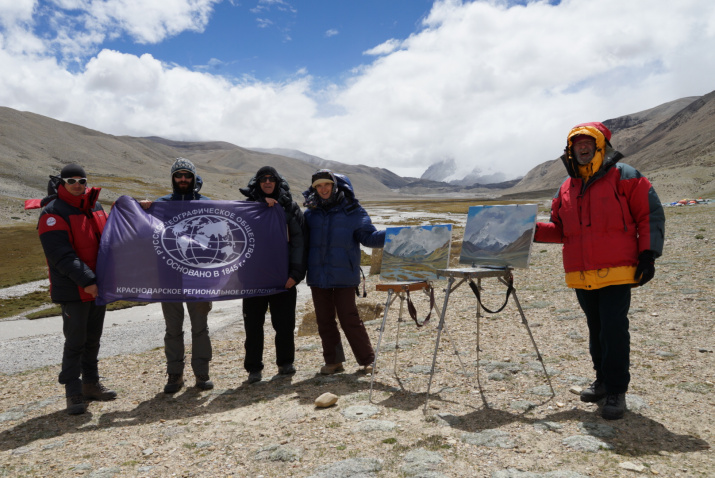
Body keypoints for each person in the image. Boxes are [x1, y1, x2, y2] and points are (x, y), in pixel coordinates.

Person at [534, 122, 665, 420]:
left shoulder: (626, 176)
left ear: (600, 146)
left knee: (614, 330)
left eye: (587, 143)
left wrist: (648, 255)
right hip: (582, 274)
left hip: (617, 271)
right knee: (597, 330)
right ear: (570, 150)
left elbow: (650, 214)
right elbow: (561, 230)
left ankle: (617, 389)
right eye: (576, 144)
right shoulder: (566, 187)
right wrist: (529, 230)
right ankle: (603, 382)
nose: (582, 147)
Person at [38, 164, 117, 415]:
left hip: (98, 287)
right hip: (74, 289)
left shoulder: (95, 207)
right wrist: (88, 281)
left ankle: (91, 385)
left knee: (93, 338)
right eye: (71, 180)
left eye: (81, 180)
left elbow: (108, 240)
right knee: (75, 342)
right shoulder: (52, 213)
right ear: (61, 183)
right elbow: (61, 255)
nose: (77, 184)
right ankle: (73, 392)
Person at [140, 158, 214, 393]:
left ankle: (202, 373)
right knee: (173, 328)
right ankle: (175, 374)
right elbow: (144, 232)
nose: (183, 179)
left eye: (187, 175)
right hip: (168, 276)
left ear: (193, 178)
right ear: (172, 178)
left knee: (200, 327)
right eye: (179, 175)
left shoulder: (206, 204)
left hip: (198, 276)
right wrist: (141, 209)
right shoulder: (160, 205)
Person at [302, 169, 385, 375]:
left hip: (344, 274)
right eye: (318, 186)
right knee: (324, 320)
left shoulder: (353, 211)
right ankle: (334, 362)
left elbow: (369, 238)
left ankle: (367, 360)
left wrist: (395, 235)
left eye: (326, 185)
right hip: (318, 275)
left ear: (336, 186)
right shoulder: (310, 213)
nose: (323, 189)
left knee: (349, 317)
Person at [239, 166, 307, 383]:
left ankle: (286, 363)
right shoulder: (247, 208)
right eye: (263, 179)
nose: (267, 182)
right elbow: (235, 240)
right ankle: (254, 368)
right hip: (254, 280)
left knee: (284, 324)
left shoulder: (289, 207)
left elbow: (299, 242)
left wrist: (295, 274)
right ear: (257, 183)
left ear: (277, 182)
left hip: (283, 278)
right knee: (253, 326)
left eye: (271, 179)